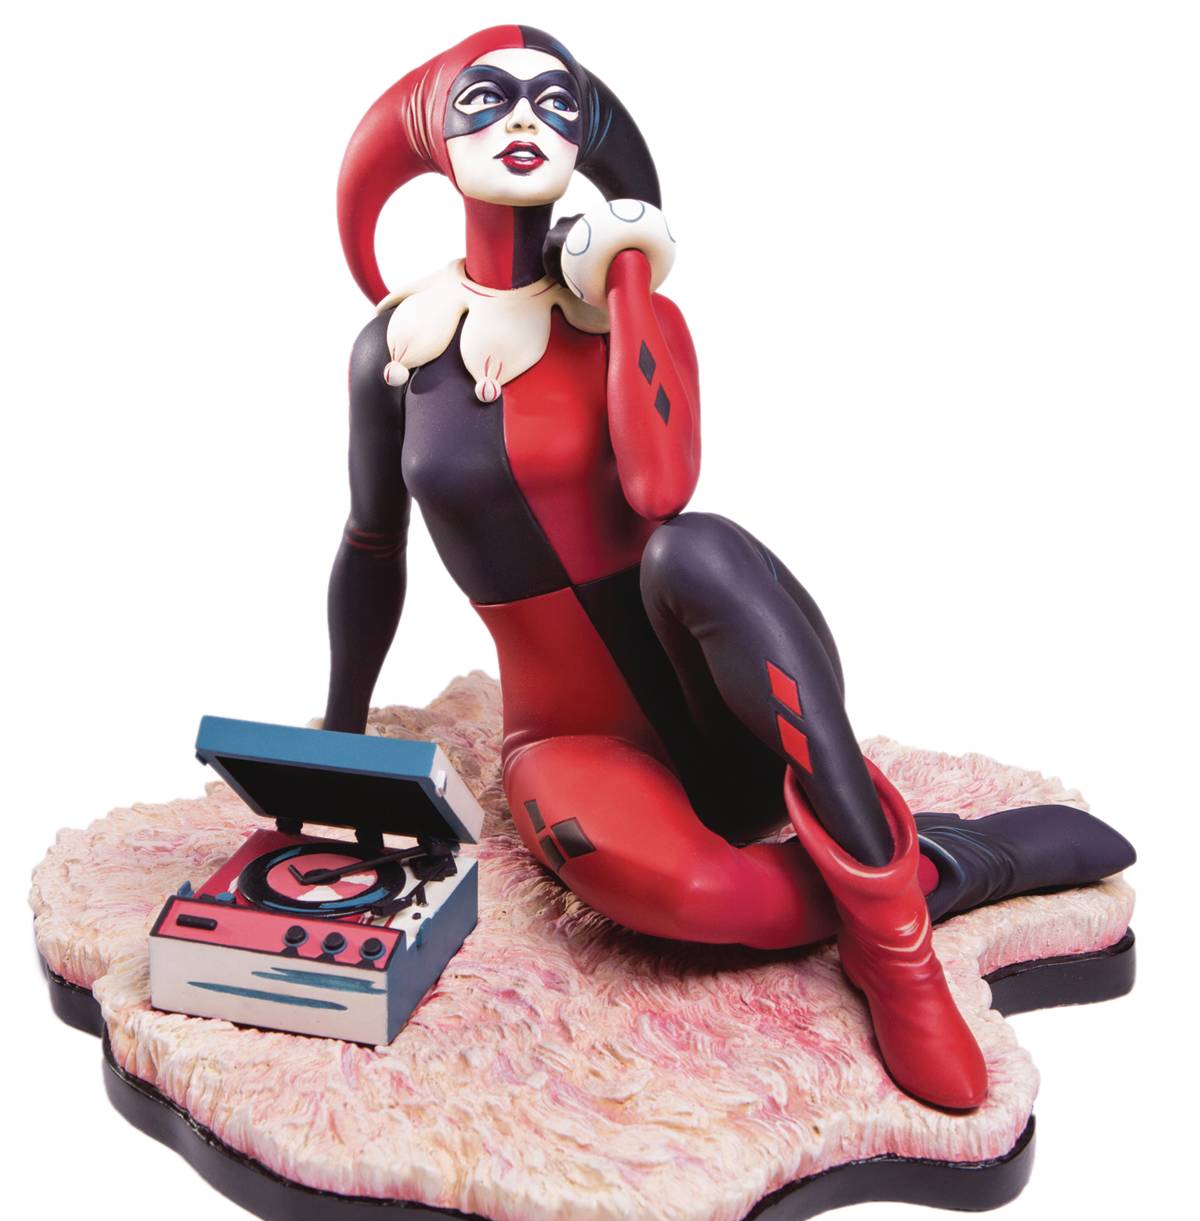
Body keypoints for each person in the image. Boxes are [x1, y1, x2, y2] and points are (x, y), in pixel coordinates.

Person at [324, 25, 1134, 1110]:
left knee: (696, 542)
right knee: (695, 897)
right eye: (485, 98)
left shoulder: (631, 310)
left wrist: (625, 283)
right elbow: (371, 543)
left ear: (585, 141)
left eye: (556, 102)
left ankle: (896, 958)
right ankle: (932, 872)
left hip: (729, 694)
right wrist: (335, 740)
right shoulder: (397, 348)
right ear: (431, 137)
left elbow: (659, 485)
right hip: (572, 740)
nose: (523, 118)